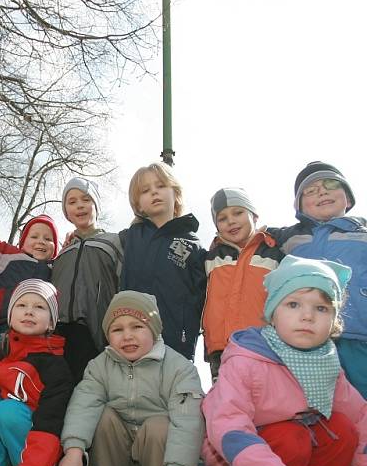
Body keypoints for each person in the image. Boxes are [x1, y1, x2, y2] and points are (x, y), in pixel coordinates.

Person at [201, 256, 367, 466]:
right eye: (293, 304)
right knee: (291, 436)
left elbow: (361, 418)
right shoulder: (247, 359)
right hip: (240, 460)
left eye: (322, 309)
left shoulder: (326, 363)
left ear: (335, 321)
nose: (307, 316)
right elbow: (228, 425)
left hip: (296, 457)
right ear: (272, 312)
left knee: (342, 430)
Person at [55, 291, 204, 466]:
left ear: (153, 330)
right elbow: (83, 405)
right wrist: (74, 450)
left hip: (161, 459)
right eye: (117, 329)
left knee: (159, 425)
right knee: (101, 414)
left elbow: (188, 423)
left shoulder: (179, 368)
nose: (127, 336)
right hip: (117, 455)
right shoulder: (99, 366)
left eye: (137, 327)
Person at [268, 162, 367, 399]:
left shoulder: (363, 233)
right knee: (314, 406)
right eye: (310, 190)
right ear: (300, 207)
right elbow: (253, 240)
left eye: (331, 185)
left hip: (359, 335)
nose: (322, 191)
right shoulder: (289, 238)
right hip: (307, 340)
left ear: (348, 199)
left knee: (361, 402)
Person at [0, 280, 74, 466]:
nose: (29, 312)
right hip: (6, 432)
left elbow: (50, 425)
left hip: (41, 454)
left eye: (39, 307)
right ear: (10, 315)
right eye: (21, 305)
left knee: (8, 410)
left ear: (51, 323)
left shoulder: (55, 366)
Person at [119, 163, 206, 361]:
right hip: (132, 341)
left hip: (175, 344)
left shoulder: (193, 245)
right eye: (146, 190)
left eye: (160, 186)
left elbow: (203, 296)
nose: (154, 193)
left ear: (175, 193)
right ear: (138, 204)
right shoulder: (129, 238)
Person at [203, 188, 282, 380]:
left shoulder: (273, 254)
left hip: (263, 345)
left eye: (238, 213)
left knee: (265, 401)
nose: (231, 221)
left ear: (254, 216)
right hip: (220, 348)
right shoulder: (211, 258)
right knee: (227, 403)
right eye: (222, 218)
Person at [51, 177, 122, 382]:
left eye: (86, 199)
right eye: (72, 202)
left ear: (96, 205)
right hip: (59, 335)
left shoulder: (113, 242)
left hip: (96, 333)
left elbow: (124, 282)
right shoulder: (63, 253)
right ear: (66, 211)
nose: (79, 205)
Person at [0, 214, 59, 339]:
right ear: (22, 241)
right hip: (4, 326)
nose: (41, 241)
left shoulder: (57, 267)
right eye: (34, 236)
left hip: (40, 330)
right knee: (1, 357)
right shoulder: (6, 256)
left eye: (48, 239)